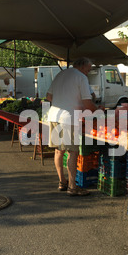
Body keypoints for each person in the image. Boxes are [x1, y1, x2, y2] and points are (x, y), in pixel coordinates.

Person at [46, 57, 99, 197]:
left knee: (58, 151)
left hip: (53, 116)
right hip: (68, 119)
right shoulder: (81, 77)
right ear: (82, 67)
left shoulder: (60, 74)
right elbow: (88, 104)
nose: (87, 73)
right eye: (88, 70)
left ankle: (62, 182)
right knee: (72, 152)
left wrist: (65, 101)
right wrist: (98, 111)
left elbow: (48, 96)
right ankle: (72, 187)